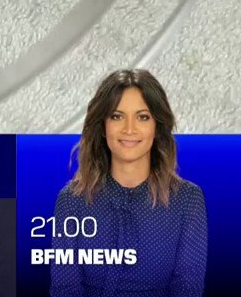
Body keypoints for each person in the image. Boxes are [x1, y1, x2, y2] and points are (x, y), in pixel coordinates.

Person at [50, 69, 208, 297]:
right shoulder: (71, 201)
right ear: (102, 126)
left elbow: (187, 288)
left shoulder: (187, 200)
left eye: (143, 117)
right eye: (117, 116)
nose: (129, 129)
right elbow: (65, 289)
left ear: (157, 126)